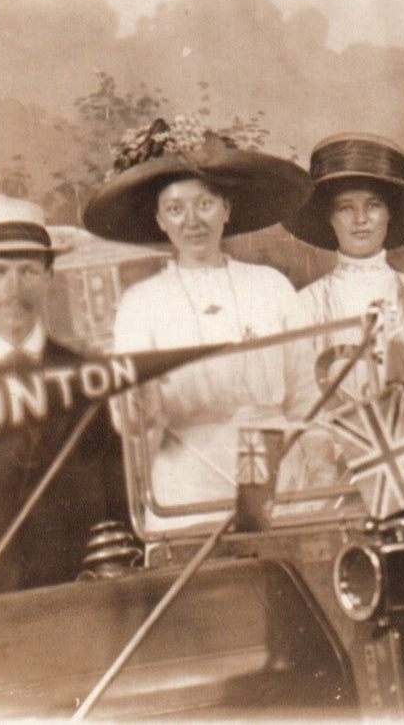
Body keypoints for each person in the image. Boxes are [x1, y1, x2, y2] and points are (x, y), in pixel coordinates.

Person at [84, 118, 318, 512]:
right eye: (175, 209)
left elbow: (308, 393)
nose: (192, 221)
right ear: (160, 220)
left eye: (205, 204)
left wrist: (317, 470)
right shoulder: (141, 304)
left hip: (279, 479)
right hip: (188, 487)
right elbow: (130, 421)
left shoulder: (271, 286)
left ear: (226, 209)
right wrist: (136, 396)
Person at [0, 195, 126, 601]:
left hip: (74, 599)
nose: (14, 290)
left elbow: (114, 500)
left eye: (29, 271)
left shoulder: (86, 378)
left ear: (50, 276)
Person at [285, 133, 404, 396]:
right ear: (329, 217)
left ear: (390, 213)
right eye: (345, 208)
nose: (360, 219)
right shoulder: (304, 306)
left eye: (373, 206)